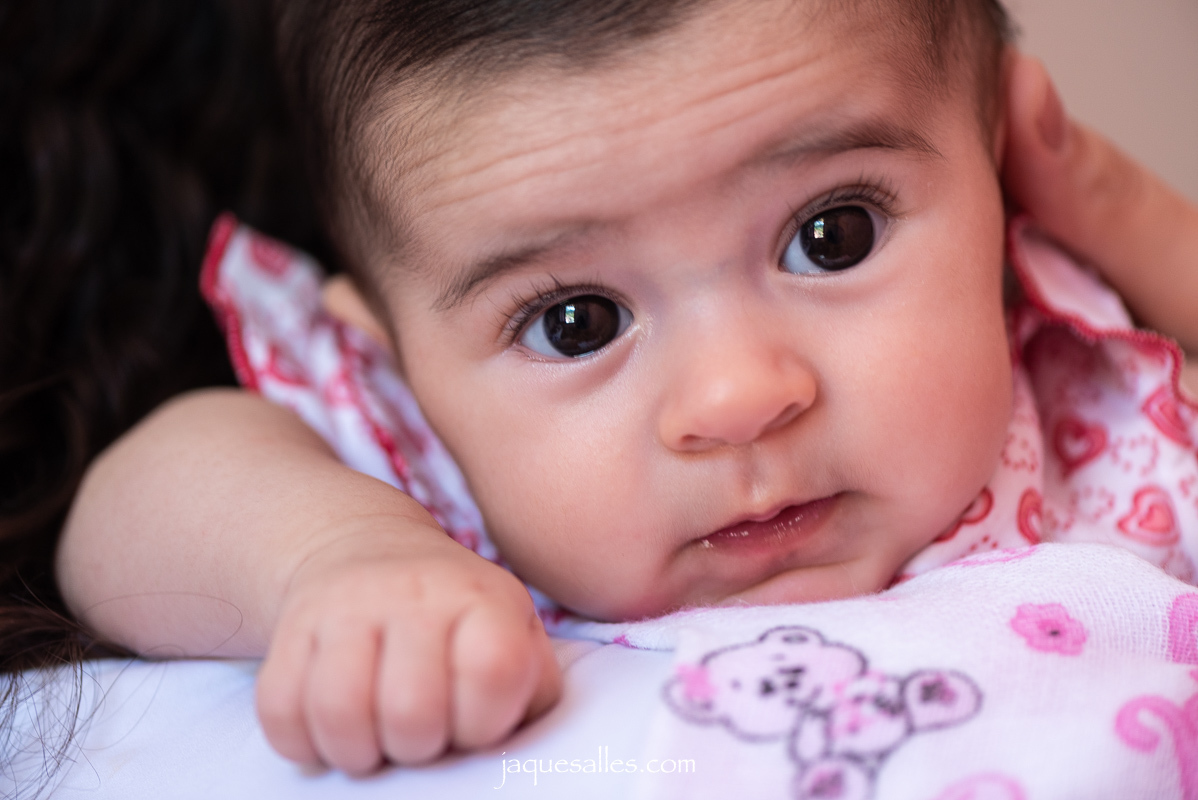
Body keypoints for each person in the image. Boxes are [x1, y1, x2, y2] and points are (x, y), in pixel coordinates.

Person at [44, 0, 1198, 780]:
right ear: (390, 356)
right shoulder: (427, 485)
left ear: (1002, 180)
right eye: (576, 321)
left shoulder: (1103, 406)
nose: (740, 395)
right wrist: (332, 555)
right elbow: (124, 507)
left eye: (831, 235)